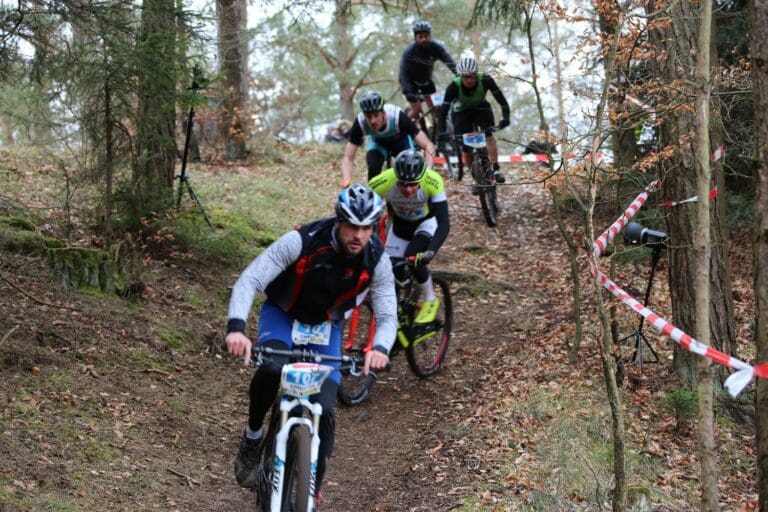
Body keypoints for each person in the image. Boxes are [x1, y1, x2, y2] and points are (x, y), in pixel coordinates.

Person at [224, 184, 397, 502]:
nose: (359, 235)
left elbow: (387, 315)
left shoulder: (377, 258)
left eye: (367, 227)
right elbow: (251, 279)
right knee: (271, 368)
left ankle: (311, 486)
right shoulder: (302, 241)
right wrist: (236, 328)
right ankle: (252, 437)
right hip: (283, 313)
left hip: (326, 326)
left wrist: (380, 349)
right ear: (338, 222)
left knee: (326, 406)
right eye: (352, 226)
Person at [368, 149, 450, 324]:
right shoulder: (383, 181)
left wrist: (431, 251)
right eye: (402, 183)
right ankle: (394, 320)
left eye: (413, 184)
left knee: (413, 258)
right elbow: (366, 215)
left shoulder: (433, 181)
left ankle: (430, 298)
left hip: (425, 224)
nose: (408, 189)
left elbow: (444, 223)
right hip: (400, 228)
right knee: (389, 273)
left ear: (421, 178)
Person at [437, 56, 510, 190]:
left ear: (476, 74)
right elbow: (443, 112)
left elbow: (501, 100)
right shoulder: (454, 86)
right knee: (465, 146)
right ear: (461, 76)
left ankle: (495, 168)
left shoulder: (486, 79)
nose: (469, 80)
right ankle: (475, 178)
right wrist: (442, 131)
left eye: (472, 76)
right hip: (461, 111)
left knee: (488, 134)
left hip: (481, 107)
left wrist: (506, 117)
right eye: (465, 77)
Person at [342, 90, 436, 184]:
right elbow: (348, 157)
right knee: (373, 165)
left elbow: (428, 145)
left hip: (400, 142)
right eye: (368, 116)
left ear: (383, 113)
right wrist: (346, 181)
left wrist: (428, 171)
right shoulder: (360, 122)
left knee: (409, 168)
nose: (373, 120)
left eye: (376, 115)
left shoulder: (397, 116)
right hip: (378, 143)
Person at [399, 20, 457, 123]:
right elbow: (403, 74)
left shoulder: (435, 47)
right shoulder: (409, 52)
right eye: (420, 37)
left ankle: (439, 130)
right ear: (415, 38)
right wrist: (408, 92)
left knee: (436, 108)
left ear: (430, 35)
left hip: (427, 82)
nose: (424, 39)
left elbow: (449, 61)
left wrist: (459, 74)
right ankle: (405, 124)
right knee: (417, 111)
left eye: (426, 36)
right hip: (411, 85)